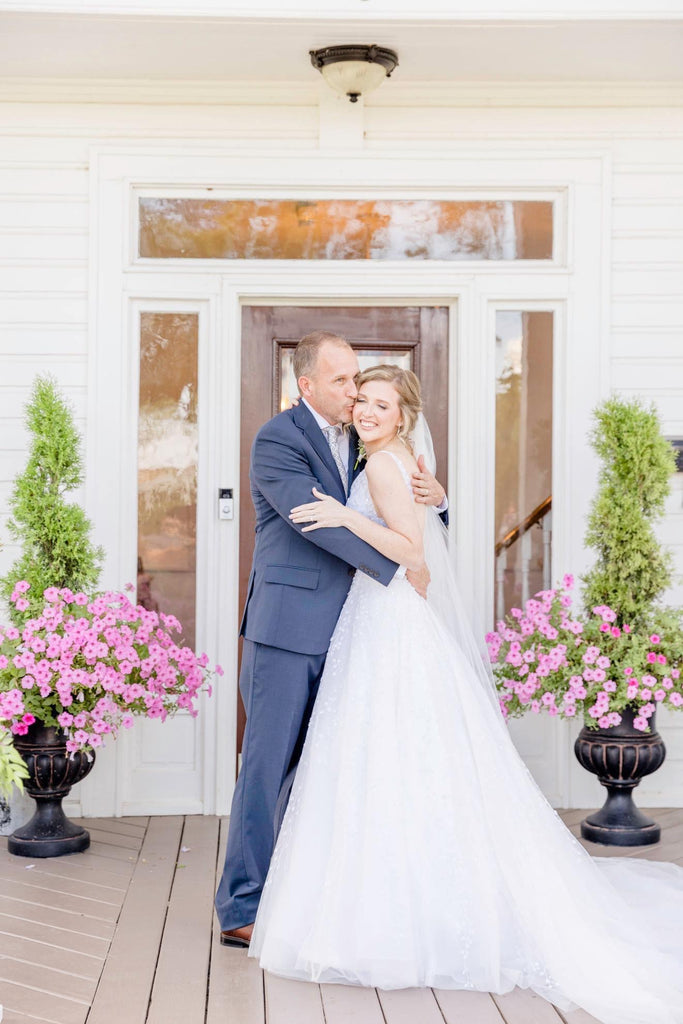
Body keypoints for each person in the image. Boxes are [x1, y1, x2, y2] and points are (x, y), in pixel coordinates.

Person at [249, 365, 683, 1024]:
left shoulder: (388, 467)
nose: (366, 411)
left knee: (392, 759)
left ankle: (400, 921)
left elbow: (409, 550)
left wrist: (344, 514)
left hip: (389, 623)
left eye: (380, 404)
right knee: (388, 764)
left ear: (402, 415)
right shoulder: (388, 461)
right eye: (361, 400)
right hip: (373, 620)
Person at [215, 333, 447, 947]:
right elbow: (312, 518)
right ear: (306, 386)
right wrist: (402, 565)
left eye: (358, 383)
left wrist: (435, 504)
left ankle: (301, 892)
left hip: (354, 632)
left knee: (324, 771)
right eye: (343, 382)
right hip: (287, 631)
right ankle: (241, 905)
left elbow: (404, 502)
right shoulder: (278, 440)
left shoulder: (367, 441)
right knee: (267, 769)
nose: (354, 394)